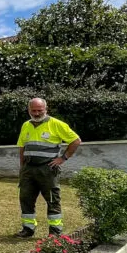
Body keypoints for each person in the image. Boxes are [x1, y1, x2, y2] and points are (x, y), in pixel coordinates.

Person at [15, 98, 81, 238]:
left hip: (48, 169)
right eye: (33, 110)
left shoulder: (56, 124)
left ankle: (55, 231)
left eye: (40, 110)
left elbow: (76, 141)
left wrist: (63, 158)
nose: (36, 113)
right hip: (28, 169)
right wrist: (22, 167)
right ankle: (28, 228)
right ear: (29, 110)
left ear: (46, 109)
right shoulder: (26, 125)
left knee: (52, 199)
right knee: (25, 198)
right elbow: (22, 147)